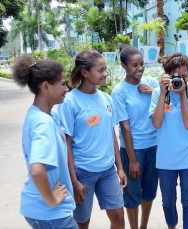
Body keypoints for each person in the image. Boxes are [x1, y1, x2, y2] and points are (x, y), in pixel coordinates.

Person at [58, 50, 127, 229]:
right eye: (101, 70)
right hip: (83, 172)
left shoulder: (106, 98)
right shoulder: (70, 102)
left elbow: (112, 136)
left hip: (108, 171)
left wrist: (119, 168)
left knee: (119, 216)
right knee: (82, 221)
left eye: (105, 69)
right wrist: (74, 182)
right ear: (85, 72)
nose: (105, 73)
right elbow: (67, 144)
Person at [13, 55, 77, 229]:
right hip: (49, 212)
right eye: (63, 84)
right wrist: (51, 198)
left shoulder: (46, 115)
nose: (67, 89)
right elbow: (36, 170)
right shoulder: (44, 122)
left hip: (41, 210)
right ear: (46, 86)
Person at [149, 52, 188, 229]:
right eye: (175, 77)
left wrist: (182, 95)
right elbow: (156, 123)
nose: (181, 80)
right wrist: (164, 92)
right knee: (167, 202)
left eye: (185, 76)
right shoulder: (158, 93)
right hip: (165, 159)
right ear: (167, 76)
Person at [111, 45, 159, 229]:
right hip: (133, 150)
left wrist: (153, 92)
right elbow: (124, 127)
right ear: (123, 66)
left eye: (142, 64)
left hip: (154, 147)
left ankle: (143, 226)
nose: (140, 69)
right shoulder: (119, 91)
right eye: (134, 65)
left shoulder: (151, 83)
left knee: (149, 191)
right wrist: (132, 160)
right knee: (132, 194)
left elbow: (168, 103)